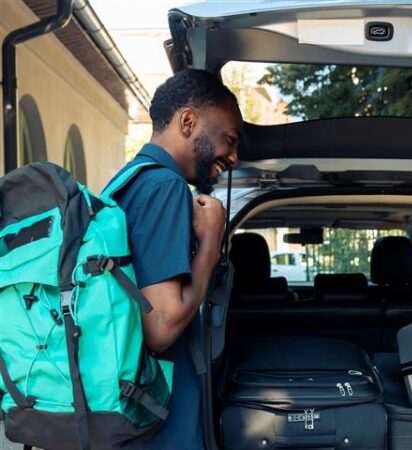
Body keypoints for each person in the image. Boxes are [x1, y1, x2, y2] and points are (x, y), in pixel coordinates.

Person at [107, 69, 242, 449]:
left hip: (130, 412)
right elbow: (161, 326)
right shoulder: (165, 187)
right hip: (161, 426)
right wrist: (212, 243)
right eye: (228, 140)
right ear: (187, 121)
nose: (233, 157)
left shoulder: (125, 181)